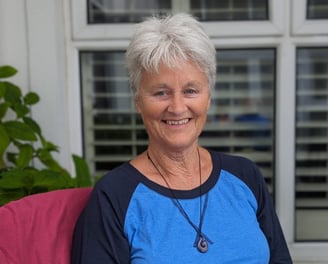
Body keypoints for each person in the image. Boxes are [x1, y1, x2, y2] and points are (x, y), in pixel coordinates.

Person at [71, 13, 292, 263]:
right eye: (160, 92)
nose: (177, 107)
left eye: (190, 91)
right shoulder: (114, 196)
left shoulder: (245, 177)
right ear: (138, 102)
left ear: (208, 97)